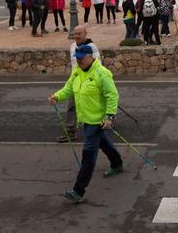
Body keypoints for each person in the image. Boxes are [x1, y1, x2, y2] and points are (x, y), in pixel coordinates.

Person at [49, 44, 123, 203]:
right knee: (103, 142)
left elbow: (112, 95)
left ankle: (78, 191)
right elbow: (68, 89)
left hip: (98, 120)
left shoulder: (102, 74)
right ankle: (117, 163)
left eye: (82, 58)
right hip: (85, 119)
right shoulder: (77, 72)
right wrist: (57, 96)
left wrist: (110, 117)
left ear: (91, 56)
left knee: (88, 155)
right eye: (78, 58)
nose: (80, 60)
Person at [56, 25, 101, 143]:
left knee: (95, 104)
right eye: (75, 34)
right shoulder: (72, 47)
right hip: (76, 81)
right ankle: (70, 131)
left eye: (79, 34)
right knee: (71, 106)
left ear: (85, 34)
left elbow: (98, 64)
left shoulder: (91, 47)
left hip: (90, 82)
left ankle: (104, 120)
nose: (76, 36)